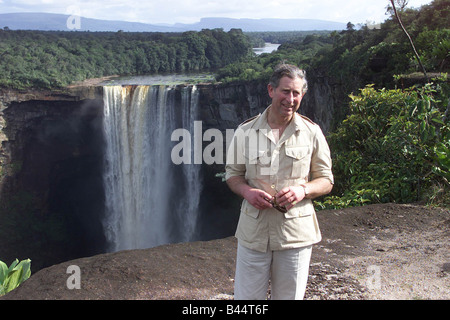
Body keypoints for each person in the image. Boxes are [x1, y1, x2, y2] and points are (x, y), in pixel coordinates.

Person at [225, 63, 334, 300]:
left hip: (295, 234)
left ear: (302, 95)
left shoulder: (312, 132)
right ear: (271, 90)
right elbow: (232, 175)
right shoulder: (245, 131)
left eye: (296, 93)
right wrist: (247, 192)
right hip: (254, 232)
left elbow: (326, 180)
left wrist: (302, 190)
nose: (290, 98)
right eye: (285, 91)